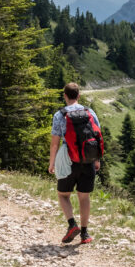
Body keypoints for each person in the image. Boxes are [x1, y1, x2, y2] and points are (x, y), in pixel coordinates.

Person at [48, 83, 101, 244]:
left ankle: (72, 224)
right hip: (87, 158)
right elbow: (97, 136)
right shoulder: (89, 112)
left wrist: (52, 163)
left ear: (65, 96)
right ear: (78, 95)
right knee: (84, 197)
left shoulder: (60, 115)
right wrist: (96, 159)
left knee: (63, 194)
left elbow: (55, 143)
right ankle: (85, 234)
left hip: (68, 158)